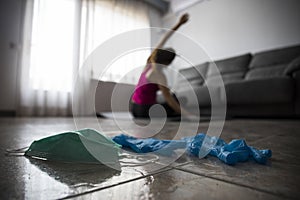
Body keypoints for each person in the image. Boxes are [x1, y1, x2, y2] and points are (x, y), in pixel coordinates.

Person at [130, 13, 191, 118]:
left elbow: (164, 38)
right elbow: (169, 100)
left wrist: (179, 24)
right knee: (179, 100)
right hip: (144, 111)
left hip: (134, 108)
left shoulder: (149, 62)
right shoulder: (159, 75)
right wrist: (188, 116)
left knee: (174, 99)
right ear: (167, 63)